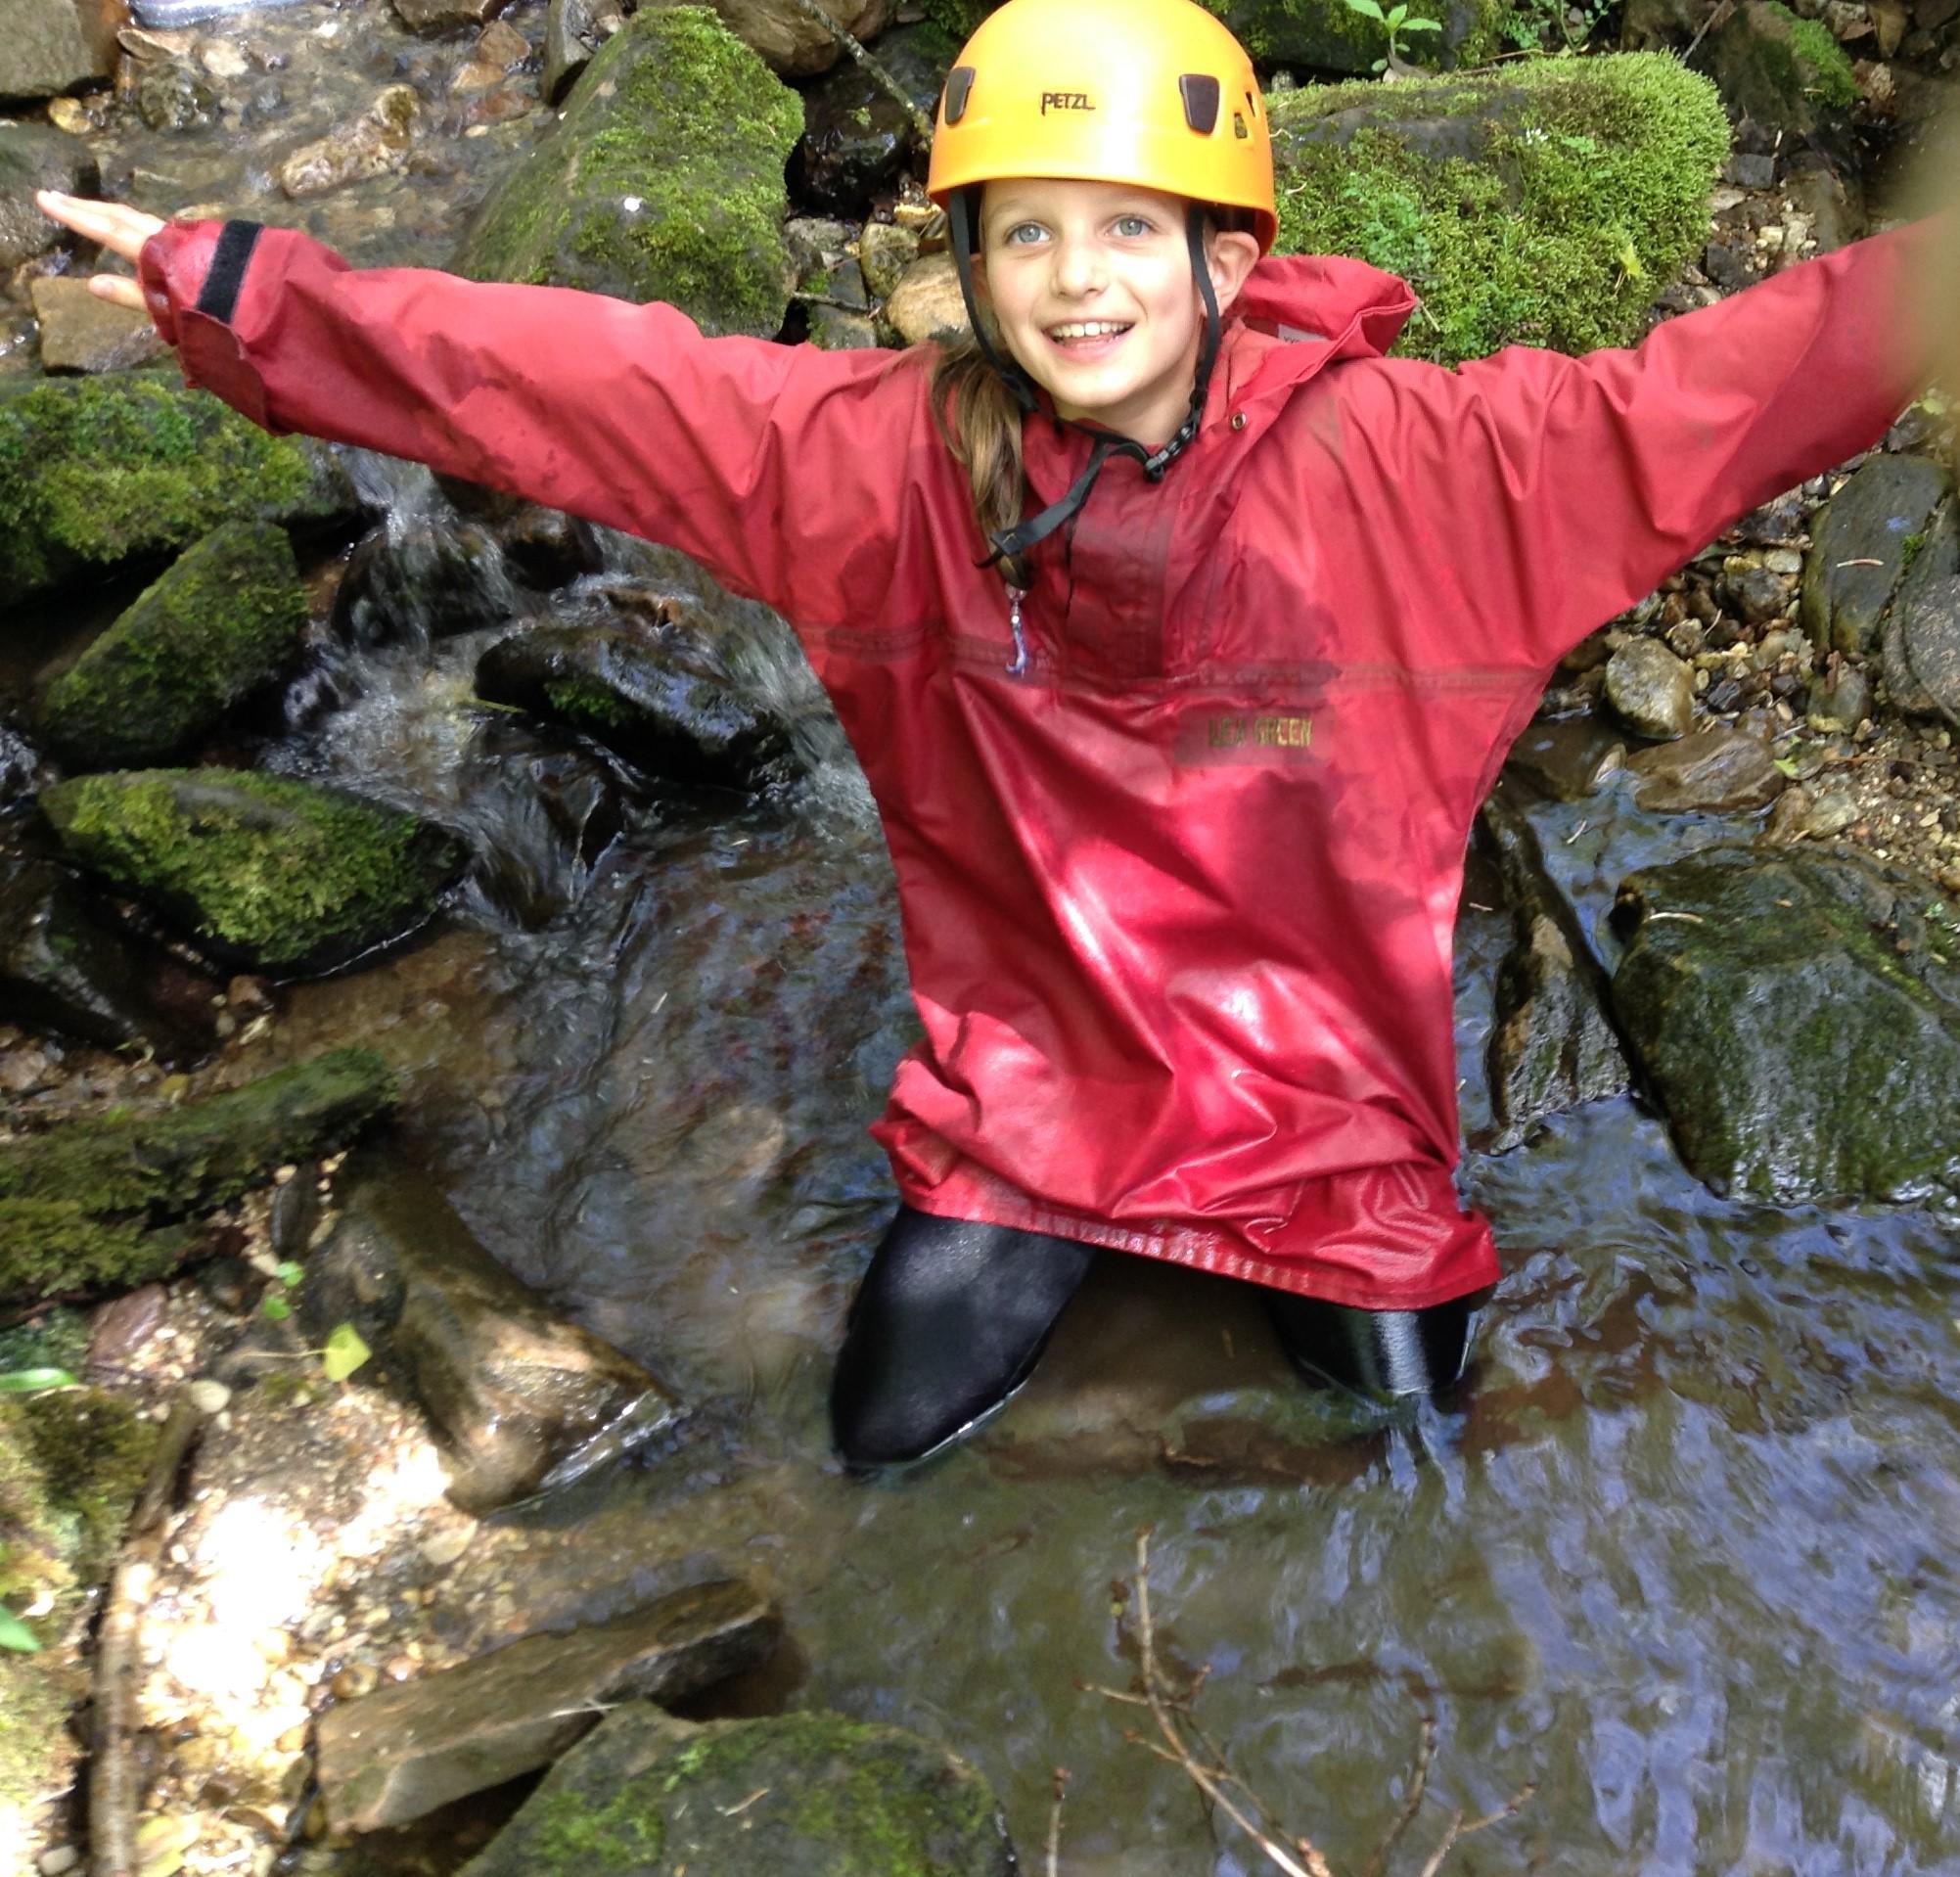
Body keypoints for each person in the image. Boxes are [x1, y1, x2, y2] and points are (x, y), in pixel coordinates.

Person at [38, 0, 1948, 1471]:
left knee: (1406, 1463)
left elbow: (1713, 391)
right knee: (879, 1447)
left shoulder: (1427, 474)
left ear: (1225, 257)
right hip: (1027, 1119)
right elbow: (584, 387)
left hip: (1325, 1137)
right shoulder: (877, 467)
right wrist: (249, 293)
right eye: (1027, 233)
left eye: (1127, 227)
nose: (1076, 278)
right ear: (971, 259)